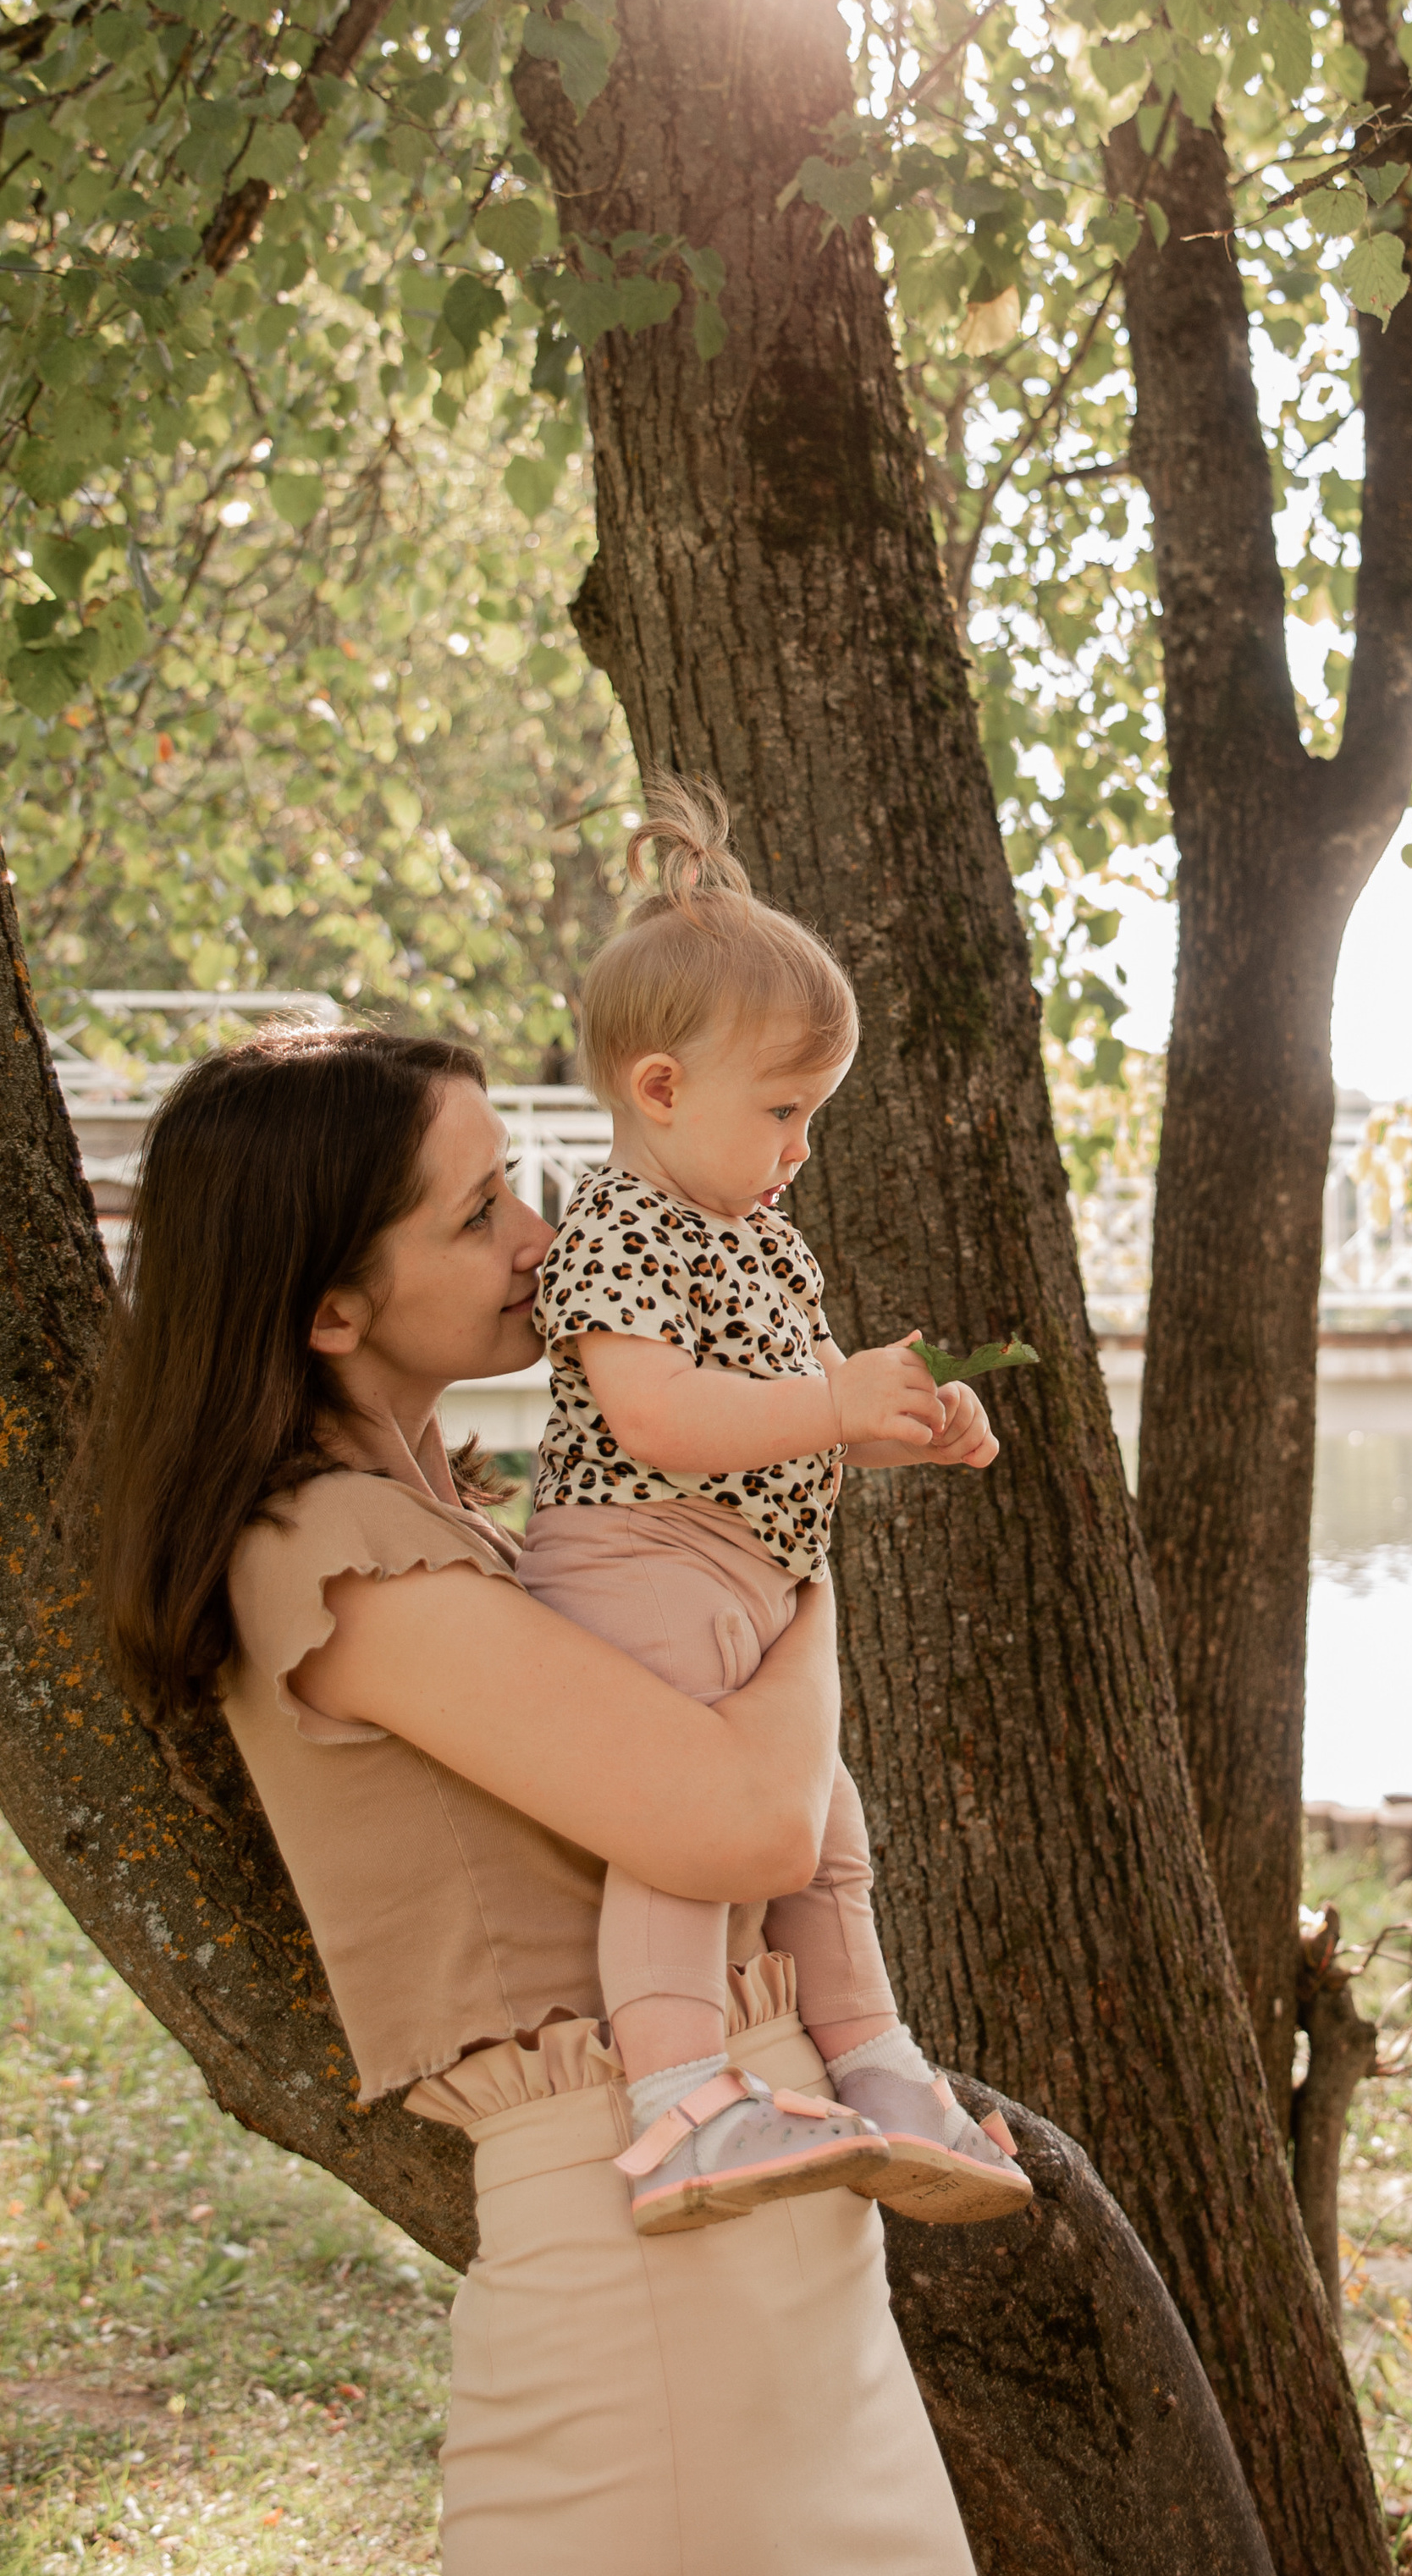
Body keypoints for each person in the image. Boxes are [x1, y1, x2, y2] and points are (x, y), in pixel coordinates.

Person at [85, 1024, 979, 2575]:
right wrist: (805, 1553)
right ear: (328, 1309)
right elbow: (747, 1825)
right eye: (479, 1209)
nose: (541, 1240)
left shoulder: (473, 1537)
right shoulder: (335, 1558)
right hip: (655, 2308)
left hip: (776, 2265)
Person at [520, 779, 1032, 2233]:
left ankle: (874, 2061)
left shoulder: (760, 1238)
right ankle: (678, 2101)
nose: (802, 1147)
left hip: (746, 1575)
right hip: (641, 1562)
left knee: (824, 1836)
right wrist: (825, 1404)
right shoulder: (616, 1228)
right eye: (787, 1110)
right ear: (661, 1089)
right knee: (685, 1836)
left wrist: (906, 1425)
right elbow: (663, 1422)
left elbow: (802, 1420)